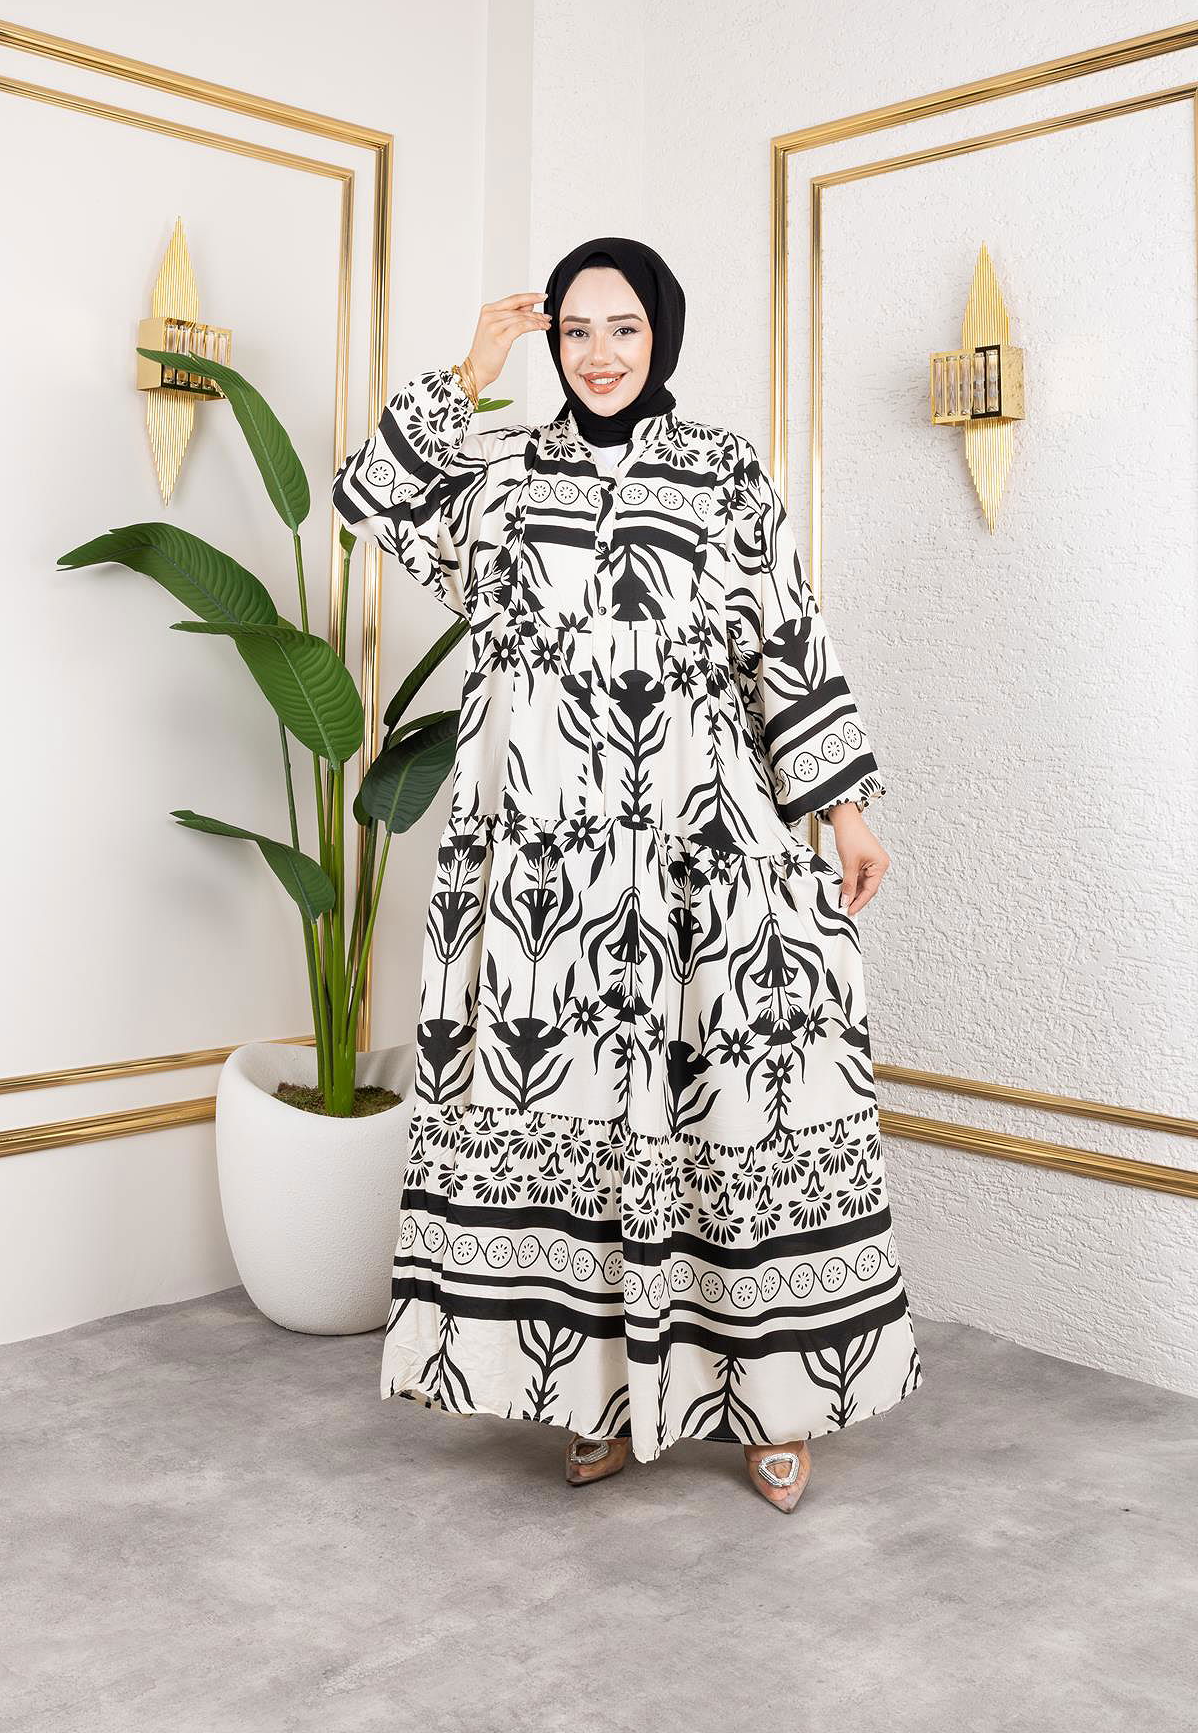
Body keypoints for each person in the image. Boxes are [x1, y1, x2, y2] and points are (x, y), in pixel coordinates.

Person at [331, 235, 923, 1514]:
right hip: (546, 868)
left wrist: (845, 810)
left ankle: (771, 1407)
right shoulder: (501, 476)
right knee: (583, 1123)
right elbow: (368, 500)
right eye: (575, 331)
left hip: (703, 844)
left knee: (735, 1113)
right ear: (550, 341)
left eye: (624, 330)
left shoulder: (721, 470)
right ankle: (596, 1397)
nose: (598, 355)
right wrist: (468, 370)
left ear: (662, 335)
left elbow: (785, 637)